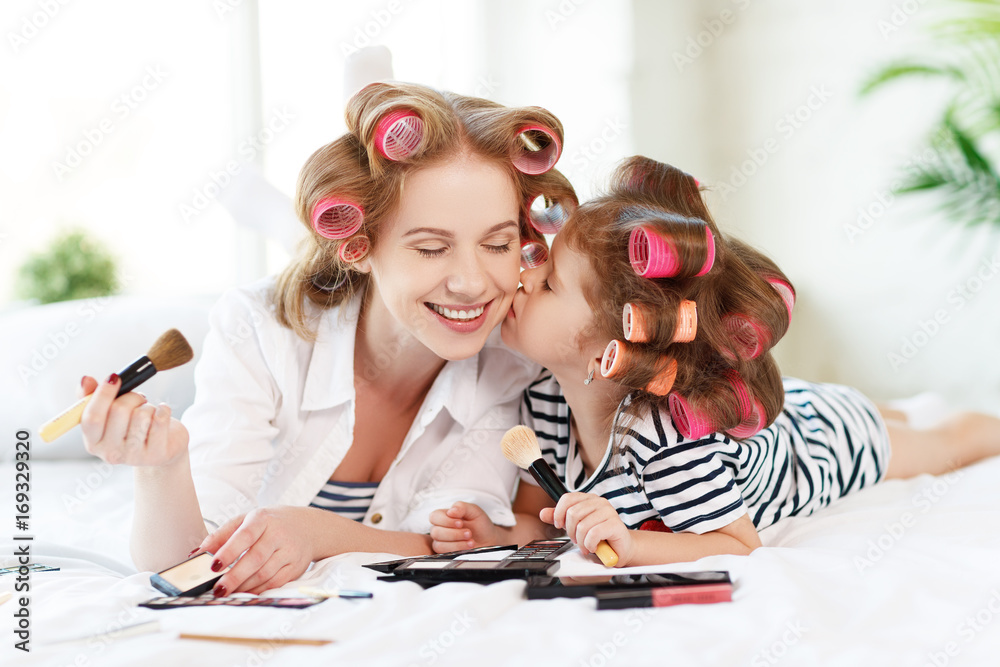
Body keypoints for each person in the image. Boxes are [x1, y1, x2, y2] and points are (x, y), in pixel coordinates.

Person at [77, 81, 577, 594]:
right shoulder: (257, 327)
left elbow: (449, 545)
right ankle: (280, 213)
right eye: (431, 248)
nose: (473, 283)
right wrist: (163, 467)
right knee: (313, 258)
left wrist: (316, 532)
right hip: (322, 295)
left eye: (497, 243)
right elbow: (183, 566)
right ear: (359, 246)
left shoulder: (511, 364)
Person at [428, 155, 1000, 567]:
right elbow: (545, 513)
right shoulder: (544, 404)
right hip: (771, 421)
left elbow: (737, 544)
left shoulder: (669, 446)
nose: (523, 278)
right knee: (879, 407)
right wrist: (497, 531)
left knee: (939, 439)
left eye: (549, 283)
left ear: (606, 353)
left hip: (819, 442)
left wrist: (634, 545)